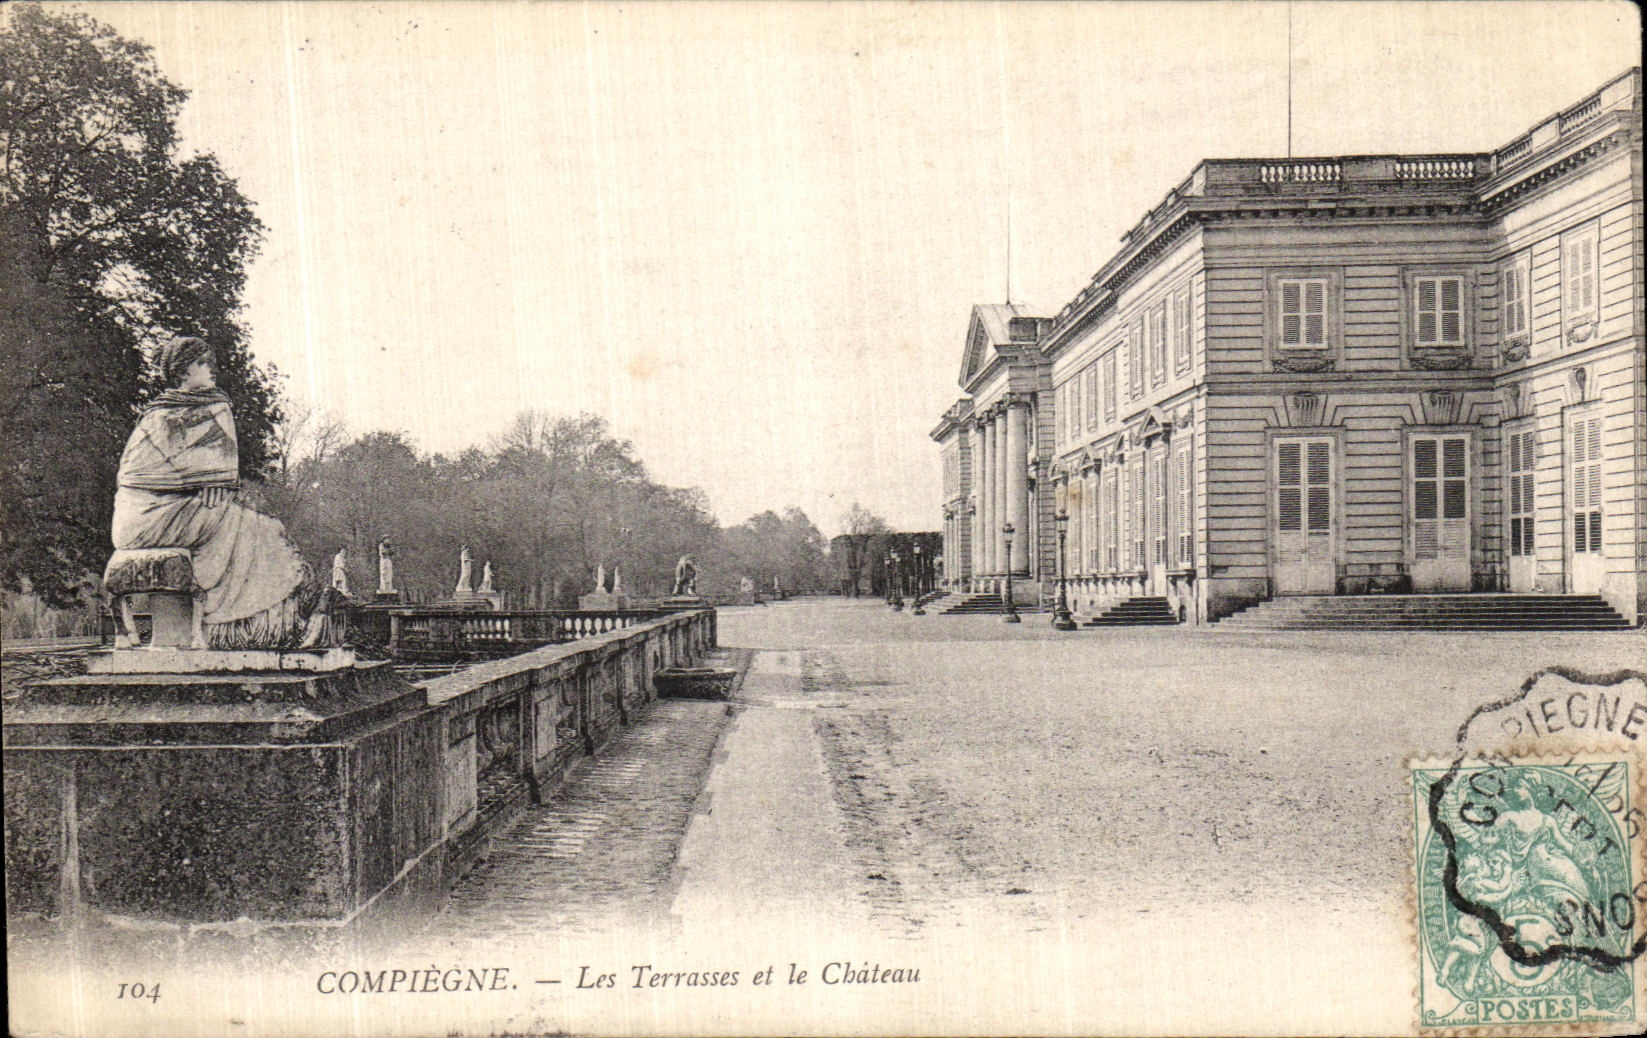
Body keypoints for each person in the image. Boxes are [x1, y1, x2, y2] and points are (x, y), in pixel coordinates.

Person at [108, 336, 337, 649]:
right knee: (253, 523)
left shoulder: (214, 406)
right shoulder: (157, 415)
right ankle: (240, 626)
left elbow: (223, 462)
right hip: (143, 517)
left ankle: (267, 624)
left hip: (181, 508)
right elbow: (134, 474)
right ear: (182, 371)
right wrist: (206, 479)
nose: (212, 369)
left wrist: (217, 480)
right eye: (203, 363)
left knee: (256, 520)